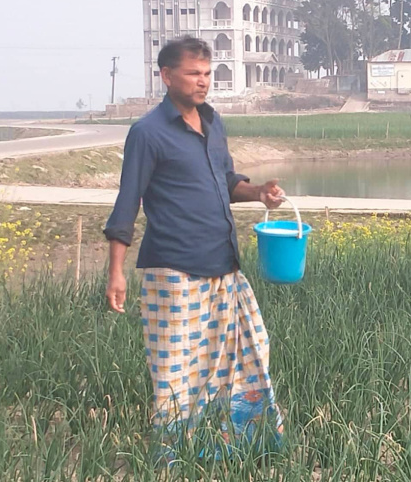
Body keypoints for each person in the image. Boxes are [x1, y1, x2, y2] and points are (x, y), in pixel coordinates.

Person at [103, 36, 284, 461]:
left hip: (224, 265)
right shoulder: (147, 133)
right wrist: (116, 271)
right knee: (176, 370)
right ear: (167, 76)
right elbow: (127, 203)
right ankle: (174, 457)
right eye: (193, 74)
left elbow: (225, 179)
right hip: (174, 270)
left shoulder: (212, 121)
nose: (203, 82)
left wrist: (259, 192)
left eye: (207, 73)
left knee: (251, 348)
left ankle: (235, 446)